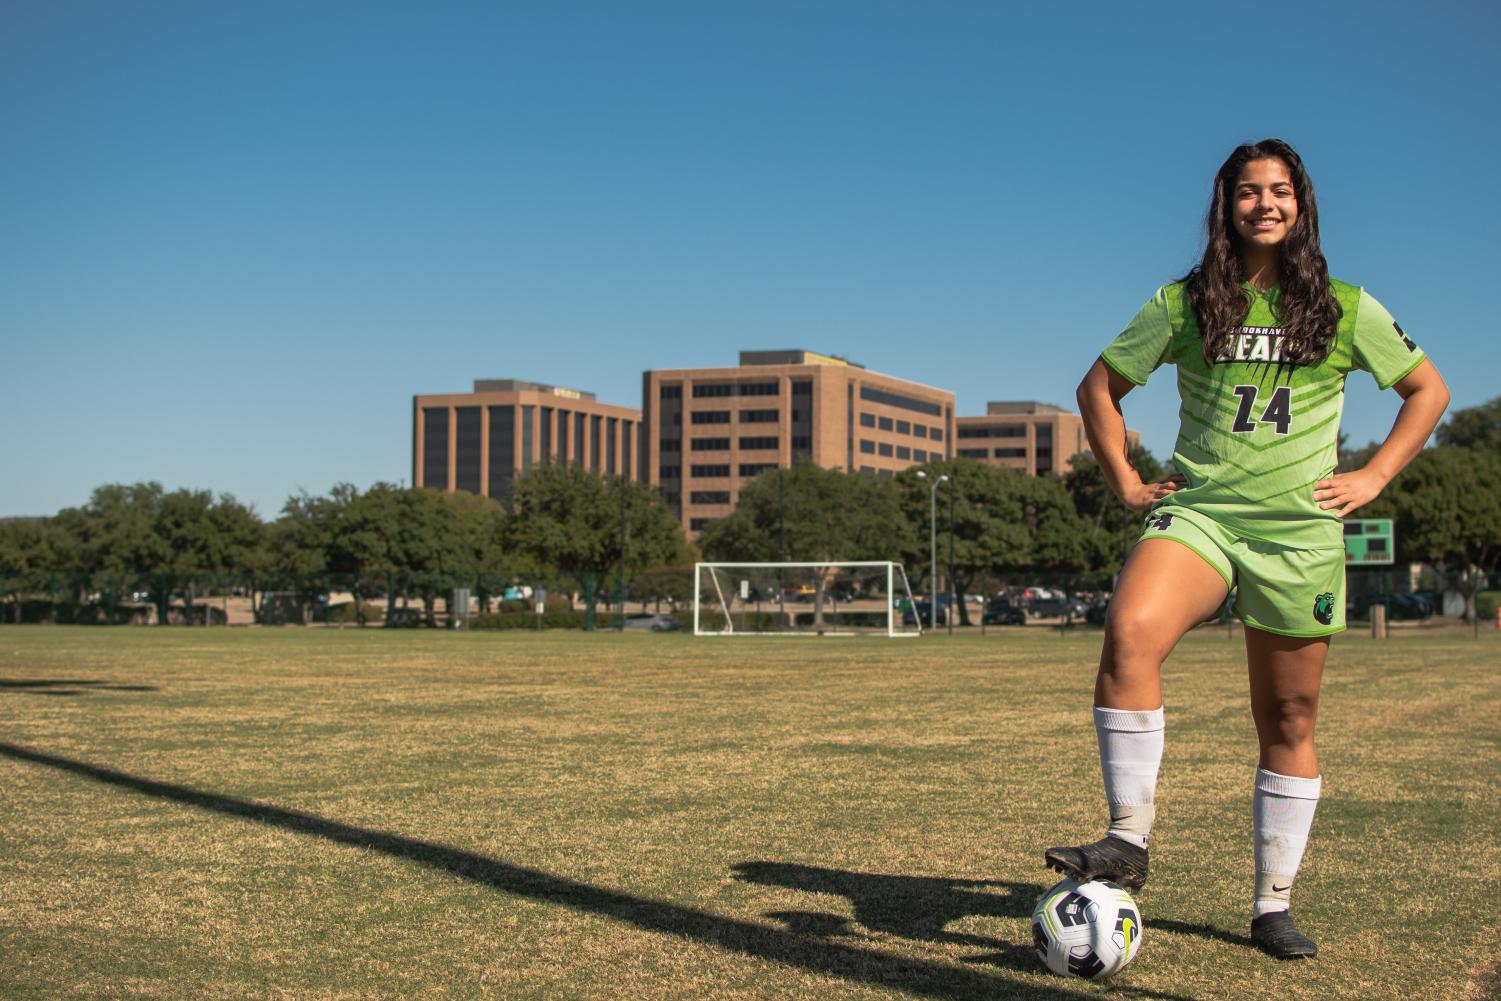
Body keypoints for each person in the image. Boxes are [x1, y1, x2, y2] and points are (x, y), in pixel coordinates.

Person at [1045, 139, 1449, 959]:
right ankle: (1127, 838)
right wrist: (1125, 481)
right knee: (1128, 630)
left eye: (1279, 190)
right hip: (1203, 514)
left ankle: (1271, 905)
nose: (1263, 204)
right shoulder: (1183, 302)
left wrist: (1372, 475)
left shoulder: (1345, 305)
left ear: (1301, 203)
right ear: (1222, 204)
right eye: (1245, 191)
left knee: (1289, 715)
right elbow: (1097, 386)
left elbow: (1425, 389)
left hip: (1297, 531)